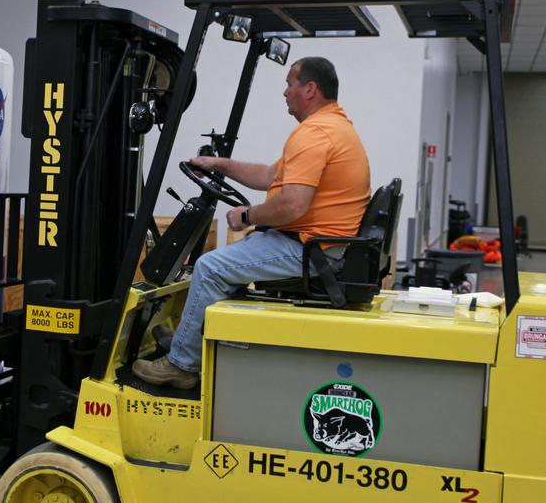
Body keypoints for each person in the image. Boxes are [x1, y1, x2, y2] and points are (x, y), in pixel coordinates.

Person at [133, 57, 371, 390]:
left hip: (312, 250)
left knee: (210, 268)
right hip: (315, 243)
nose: (285, 92)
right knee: (226, 264)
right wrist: (218, 164)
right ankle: (196, 341)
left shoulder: (315, 134)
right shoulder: (331, 127)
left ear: (310, 89)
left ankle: (182, 365)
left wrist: (247, 216)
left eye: (290, 84)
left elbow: (292, 204)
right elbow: (270, 176)